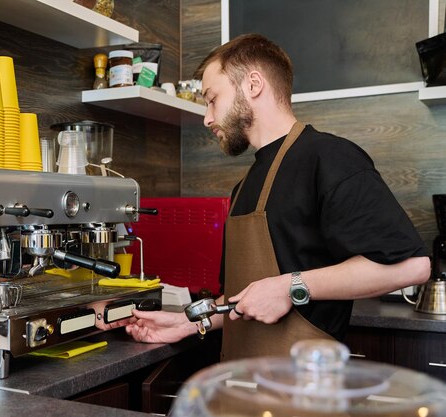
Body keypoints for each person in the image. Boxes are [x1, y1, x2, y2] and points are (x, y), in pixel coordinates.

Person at [122, 33, 431, 361]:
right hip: (240, 388)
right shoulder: (242, 187)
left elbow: (411, 266)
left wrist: (290, 287)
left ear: (253, 84)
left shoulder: (329, 157)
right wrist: (186, 322)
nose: (207, 118)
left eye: (212, 99)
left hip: (304, 396)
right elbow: (241, 300)